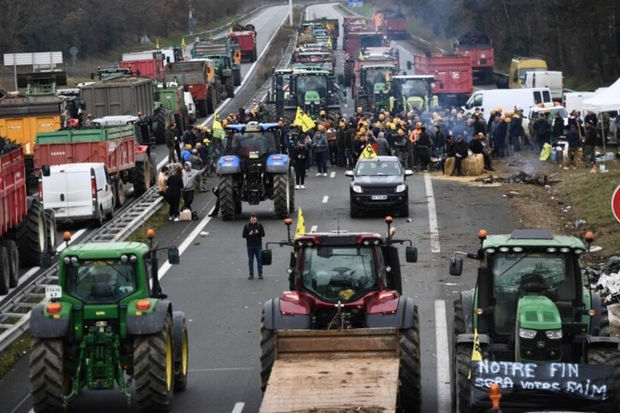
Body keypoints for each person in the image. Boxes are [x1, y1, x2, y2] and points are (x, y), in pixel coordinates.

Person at [242, 215, 265, 280]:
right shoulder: (246, 226)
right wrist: (249, 234)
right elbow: (243, 236)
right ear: (250, 220)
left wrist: (258, 233)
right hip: (250, 246)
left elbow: (263, 234)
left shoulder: (259, 226)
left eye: (254, 220)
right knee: (250, 260)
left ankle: (260, 274)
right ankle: (251, 275)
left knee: (259, 260)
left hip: (258, 245)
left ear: (256, 220)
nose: (253, 221)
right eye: (252, 220)